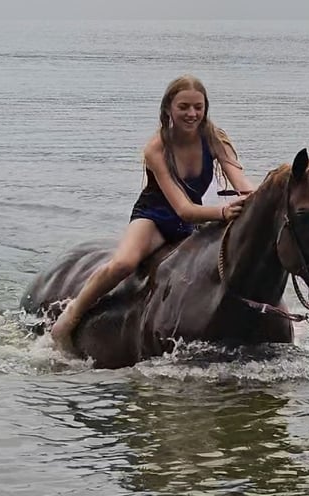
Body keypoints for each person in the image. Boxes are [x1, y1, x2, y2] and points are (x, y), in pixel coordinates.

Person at [51, 74, 254, 352]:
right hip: (155, 216)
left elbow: (243, 186)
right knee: (123, 263)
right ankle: (69, 318)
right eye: (184, 107)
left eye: (198, 106)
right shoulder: (156, 148)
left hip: (193, 220)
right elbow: (184, 209)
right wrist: (222, 212)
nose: (192, 114)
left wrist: (268, 199)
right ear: (168, 108)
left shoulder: (216, 138)